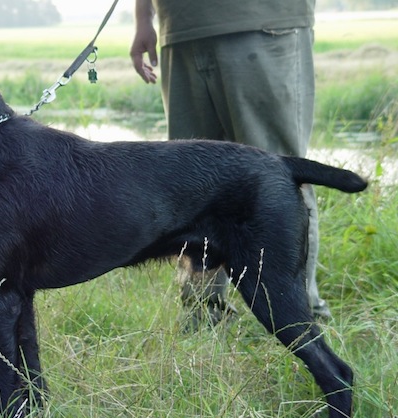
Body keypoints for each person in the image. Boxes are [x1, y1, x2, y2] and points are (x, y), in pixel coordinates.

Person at [130, 0, 331, 326]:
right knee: (191, 184)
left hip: (259, 22)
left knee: (275, 179)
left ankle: (301, 319)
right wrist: (144, 17)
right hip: (180, 30)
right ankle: (203, 315)